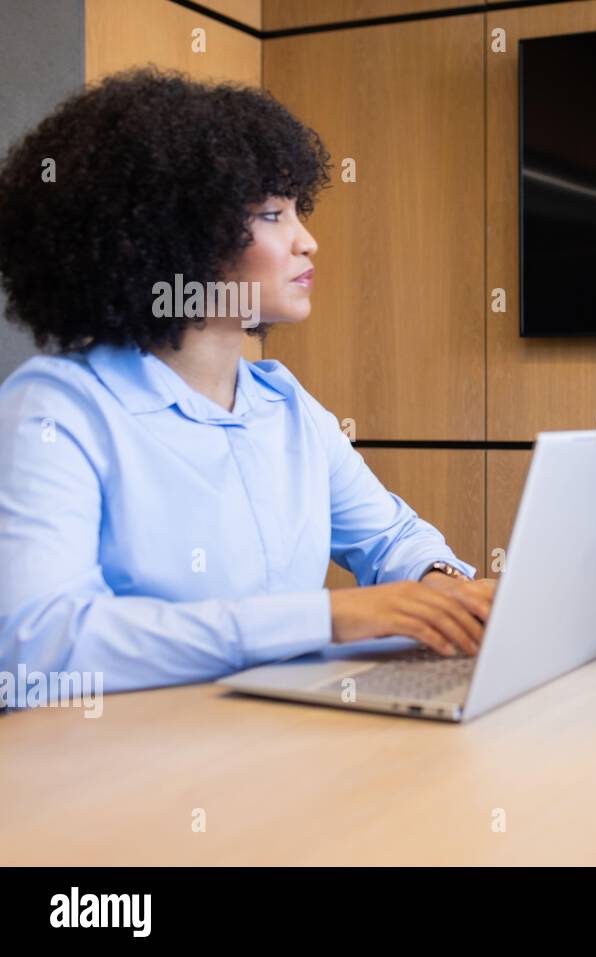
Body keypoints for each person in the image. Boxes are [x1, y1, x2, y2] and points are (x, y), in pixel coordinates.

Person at [0, 67, 495, 694]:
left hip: (273, 743)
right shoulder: (55, 408)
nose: (307, 241)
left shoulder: (282, 402)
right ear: (175, 239)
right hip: (127, 767)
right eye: (272, 215)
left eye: (297, 212)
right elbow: (39, 645)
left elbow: (391, 536)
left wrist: (442, 590)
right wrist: (324, 618)